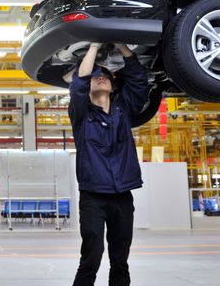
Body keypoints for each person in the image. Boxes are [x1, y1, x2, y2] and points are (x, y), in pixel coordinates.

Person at [68, 43, 148, 286]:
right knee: (91, 257)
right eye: (96, 77)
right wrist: (94, 45)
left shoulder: (124, 112)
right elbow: (79, 83)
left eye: (105, 77)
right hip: (93, 196)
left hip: (123, 194)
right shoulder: (81, 115)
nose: (101, 78)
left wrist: (121, 44)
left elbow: (138, 81)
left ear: (113, 86)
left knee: (120, 259)